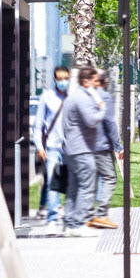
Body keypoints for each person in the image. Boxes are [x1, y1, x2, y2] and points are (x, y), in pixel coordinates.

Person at [59, 66, 105, 237]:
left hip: (70, 149)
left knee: (73, 187)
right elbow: (92, 121)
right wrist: (102, 109)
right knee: (87, 185)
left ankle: (70, 224)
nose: (97, 84)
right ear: (86, 81)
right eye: (94, 81)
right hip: (81, 150)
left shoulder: (72, 97)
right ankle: (78, 224)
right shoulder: (82, 98)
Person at [32, 65, 70, 227]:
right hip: (53, 147)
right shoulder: (46, 97)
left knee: (71, 182)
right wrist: (39, 146)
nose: (63, 82)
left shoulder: (72, 98)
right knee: (53, 183)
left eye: (65, 78)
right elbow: (38, 124)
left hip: (70, 147)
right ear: (54, 79)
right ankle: (52, 218)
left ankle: (71, 216)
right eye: (60, 79)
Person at [88, 70, 122, 229]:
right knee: (110, 177)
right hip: (101, 145)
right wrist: (118, 146)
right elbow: (109, 123)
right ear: (104, 81)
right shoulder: (105, 97)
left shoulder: (86, 97)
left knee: (92, 179)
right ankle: (101, 214)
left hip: (86, 146)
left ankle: (88, 215)